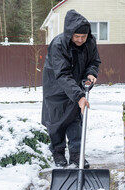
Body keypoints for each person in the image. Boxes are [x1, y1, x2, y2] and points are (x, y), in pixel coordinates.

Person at [41, 9, 101, 168]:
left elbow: (94, 62)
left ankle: (76, 156)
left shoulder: (90, 42)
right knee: (56, 122)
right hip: (56, 87)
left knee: (75, 121)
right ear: (70, 34)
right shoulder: (59, 44)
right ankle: (58, 153)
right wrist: (79, 96)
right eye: (77, 37)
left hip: (76, 87)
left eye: (84, 36)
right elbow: (61, 74)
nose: (81, 40)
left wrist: (91, 74)